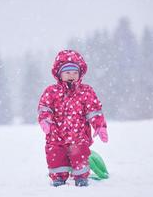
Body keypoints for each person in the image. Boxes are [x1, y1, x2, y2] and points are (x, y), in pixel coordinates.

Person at [37, 50, 108, 187]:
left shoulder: (85, 91)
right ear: (59, 74)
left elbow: (94, 110)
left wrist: (100, 126)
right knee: (56, 157)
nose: (72, 76)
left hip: (79, 135)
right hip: (56, 136)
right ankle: (58, 178)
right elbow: (44, 107)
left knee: (79, 156)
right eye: (68, 72)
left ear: (80, 74)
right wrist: (45, 120)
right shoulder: (52, 91)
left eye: (75, 72)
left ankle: (81, 177)